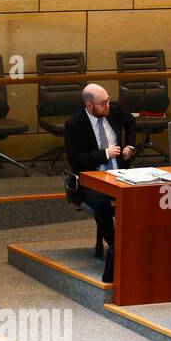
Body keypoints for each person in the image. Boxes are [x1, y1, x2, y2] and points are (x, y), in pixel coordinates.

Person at [63, 83, 136, 283]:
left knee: (139, 196)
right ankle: (115, 247)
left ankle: (135, 245)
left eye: (108, 101)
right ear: (89, 105)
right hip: (91, 180)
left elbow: (131, 124)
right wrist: (104, 154)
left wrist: (129, 144)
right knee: (103, 203)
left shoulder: (113, 110)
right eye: (103, 103)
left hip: (119, 174)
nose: (107, 106)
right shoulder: (74, 124)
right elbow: (75, 159)